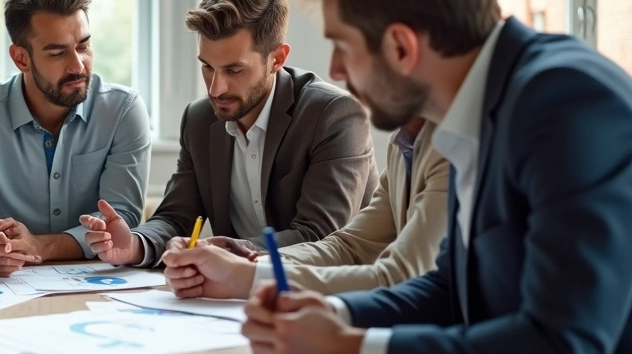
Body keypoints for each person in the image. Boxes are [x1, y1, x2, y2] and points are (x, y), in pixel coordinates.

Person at [241, 0, 632, 354]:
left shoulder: (564, 103)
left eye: (342, 46)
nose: (334, 69)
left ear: (401, 46)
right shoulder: (480, 107)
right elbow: (450, 289)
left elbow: (560, 351)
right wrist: (337, 315)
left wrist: (350, 351)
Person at [83, 0, 377, 268]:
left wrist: (228, 251)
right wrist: (134, 244)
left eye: (234, 70)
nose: (215, 89)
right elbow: (176, 217)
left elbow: (321, 237)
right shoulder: (199, 120)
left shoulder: (334, 115)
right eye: (207, 67)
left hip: (336, 294)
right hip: (240, 294)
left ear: (276, 59)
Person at [0, 0, 151, 277]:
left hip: (98, 283)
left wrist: (41, 246)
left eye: (84, 46)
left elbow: (122, 219)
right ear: (21, 58)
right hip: (11, 286)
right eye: (58, 53)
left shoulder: (122, 111)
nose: (78, 65)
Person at [163, 117, 448, 297]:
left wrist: (247, 277)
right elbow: (348, 247)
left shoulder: (453, 146)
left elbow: (403, 277)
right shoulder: (403, 143)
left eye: (347, 48)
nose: (337, 68)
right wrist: (246, 258)